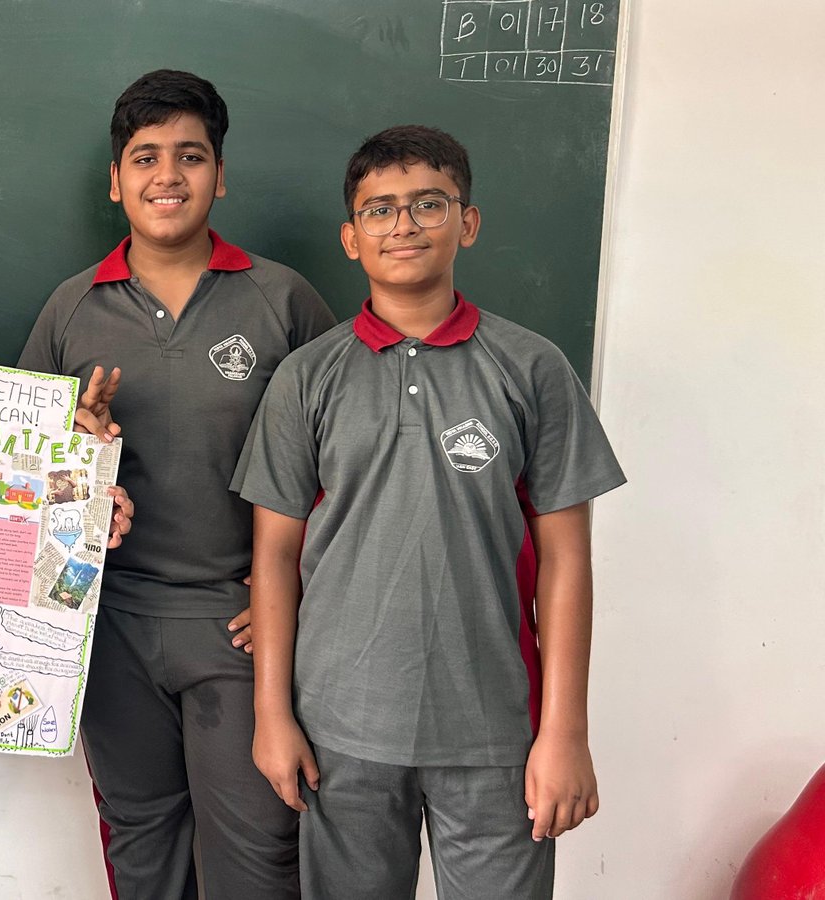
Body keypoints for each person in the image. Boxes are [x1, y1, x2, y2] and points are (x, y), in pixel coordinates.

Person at [235, 125, 627, 898]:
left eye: (428, 204)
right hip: (340, 732)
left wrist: (566, 732)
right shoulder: (306, 379)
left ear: (467, 222)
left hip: (496, 735)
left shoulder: (533, 369)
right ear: (351, 238)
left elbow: (567, 560)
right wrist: (270, 713)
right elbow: (274, 558)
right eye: (379, 209)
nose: (403, 225)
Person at [17, 70, 336, 899]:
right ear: (115, 180)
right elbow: (17, 482)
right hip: (110, 622)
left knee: (258, 850)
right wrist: (73, 452)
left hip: (239, 623)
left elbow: (347, 468)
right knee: (142, 847)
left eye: (190, 156)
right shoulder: (71, 309)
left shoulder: (283, 300)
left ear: (220, 175)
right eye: (145, 157)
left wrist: (298, 592)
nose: (168, 175)